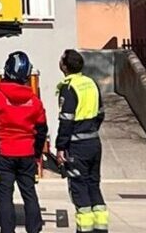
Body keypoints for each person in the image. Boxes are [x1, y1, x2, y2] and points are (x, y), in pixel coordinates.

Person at [0, 51, 47, 233]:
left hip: (4, 155)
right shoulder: (35, 101)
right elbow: (41, 131)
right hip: (27, 155)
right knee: (29, 194)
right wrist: (37, 155)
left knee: (4, 196)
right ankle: (34, 229)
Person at [55, 49, 108, 233]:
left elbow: (66, 120)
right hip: (94, 143)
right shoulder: (91, 83)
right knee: (94, 186)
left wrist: (60, 147)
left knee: (79, 188)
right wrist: (90, 130)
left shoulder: (69, 87)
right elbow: (101, 113)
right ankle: (101, 229)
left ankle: (84, 230)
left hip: (77, 147)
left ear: (65, 66)